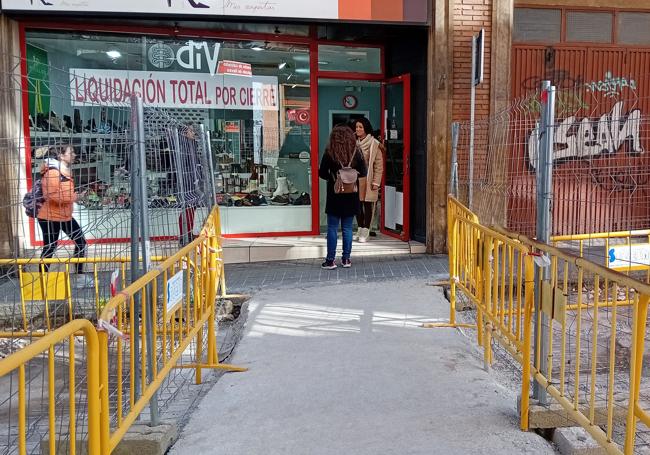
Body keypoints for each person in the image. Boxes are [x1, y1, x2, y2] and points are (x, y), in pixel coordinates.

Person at [37, 144, 93, 288]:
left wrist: (75, 196)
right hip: (50, 217)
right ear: (61, 156)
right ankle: (42, 282)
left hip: (62, 216)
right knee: (50, 247)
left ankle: (79, 277)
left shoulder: (62, 171)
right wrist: (75, 197)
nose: (74, 155)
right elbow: (52, 196)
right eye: (71, 152)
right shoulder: (53, 173)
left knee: (80, 242)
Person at [318, 125, 367, 269]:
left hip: (335, 194)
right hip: (352, 194)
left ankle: (330, 260)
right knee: (347, 228)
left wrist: (333, 178)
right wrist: (351, 177)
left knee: (332, 228)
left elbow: (322, 173)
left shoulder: (330, 152)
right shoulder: (356, 151)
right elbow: (363, 172)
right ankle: (346, 259)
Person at [354, 117, 384, 243]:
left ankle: (366, 230)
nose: (358, 129)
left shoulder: (374, 144)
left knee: (368, 205)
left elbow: (378, 165)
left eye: (360, 127)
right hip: (355, 179)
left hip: (368, 179)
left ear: (366, 128)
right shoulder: (353, 142)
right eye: (356, 127)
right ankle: (360, 228)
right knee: (356, 205)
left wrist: (376, 182)